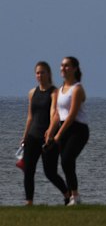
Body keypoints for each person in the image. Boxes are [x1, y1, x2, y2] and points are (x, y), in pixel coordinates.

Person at [20, 61, 69, 206]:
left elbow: (54, 112)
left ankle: (68, 195)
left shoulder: (55, 92)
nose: (39, 75)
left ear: (48, 74)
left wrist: (50, 133)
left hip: (48, 138)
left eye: (42, 72)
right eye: (37, 73)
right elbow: (30, 116)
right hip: (32, 137)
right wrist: (24, 136)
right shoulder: (31, 93)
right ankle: (29, 202)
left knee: (50, 173)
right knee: (28, 171)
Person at [48, 56, 90, 206]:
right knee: (66, 163)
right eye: (61, 65)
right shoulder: (60, 90)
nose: (63, 68)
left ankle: (75, 196)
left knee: (67, 160)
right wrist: (51, 131)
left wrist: (59, 135)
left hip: (78, 130)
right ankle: (73, 197)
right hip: (63, 127)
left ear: (74, 69)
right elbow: (58, 114)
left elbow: (72, 115)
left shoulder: (77, 89)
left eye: (66, 66)